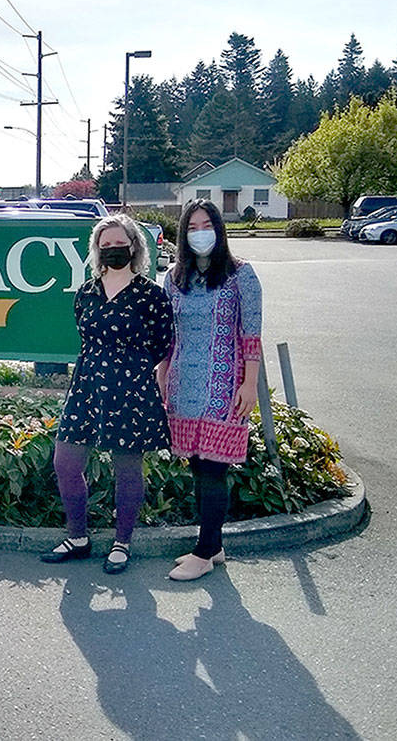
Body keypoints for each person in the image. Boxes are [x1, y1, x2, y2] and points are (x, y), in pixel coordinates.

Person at [43, 214, 173, 574]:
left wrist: (130, 366)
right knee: (66, 463)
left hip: (130, 390)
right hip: (86, 386)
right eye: (106, 246)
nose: (114, 251)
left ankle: (121, 543)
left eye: (120, 245)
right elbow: (83, 333)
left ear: (134, 247)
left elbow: (163, 343)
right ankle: (78, 538)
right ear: (97, 251)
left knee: (126, 468)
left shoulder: (152, 295)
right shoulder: (86, 292)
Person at [157, 199, 263, 581]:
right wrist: (163, 370)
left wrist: (250, 383)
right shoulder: (173, 277)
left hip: (224, 384)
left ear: (219, 230)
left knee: (214, 468)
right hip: (184, 384)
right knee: (197, 464)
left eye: (207, 224)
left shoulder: (240, 275)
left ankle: (204, 552)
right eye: (193, 226)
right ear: (183, 234)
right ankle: (213, 545)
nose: (200, 232)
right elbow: (168, 334)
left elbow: (251, 333)